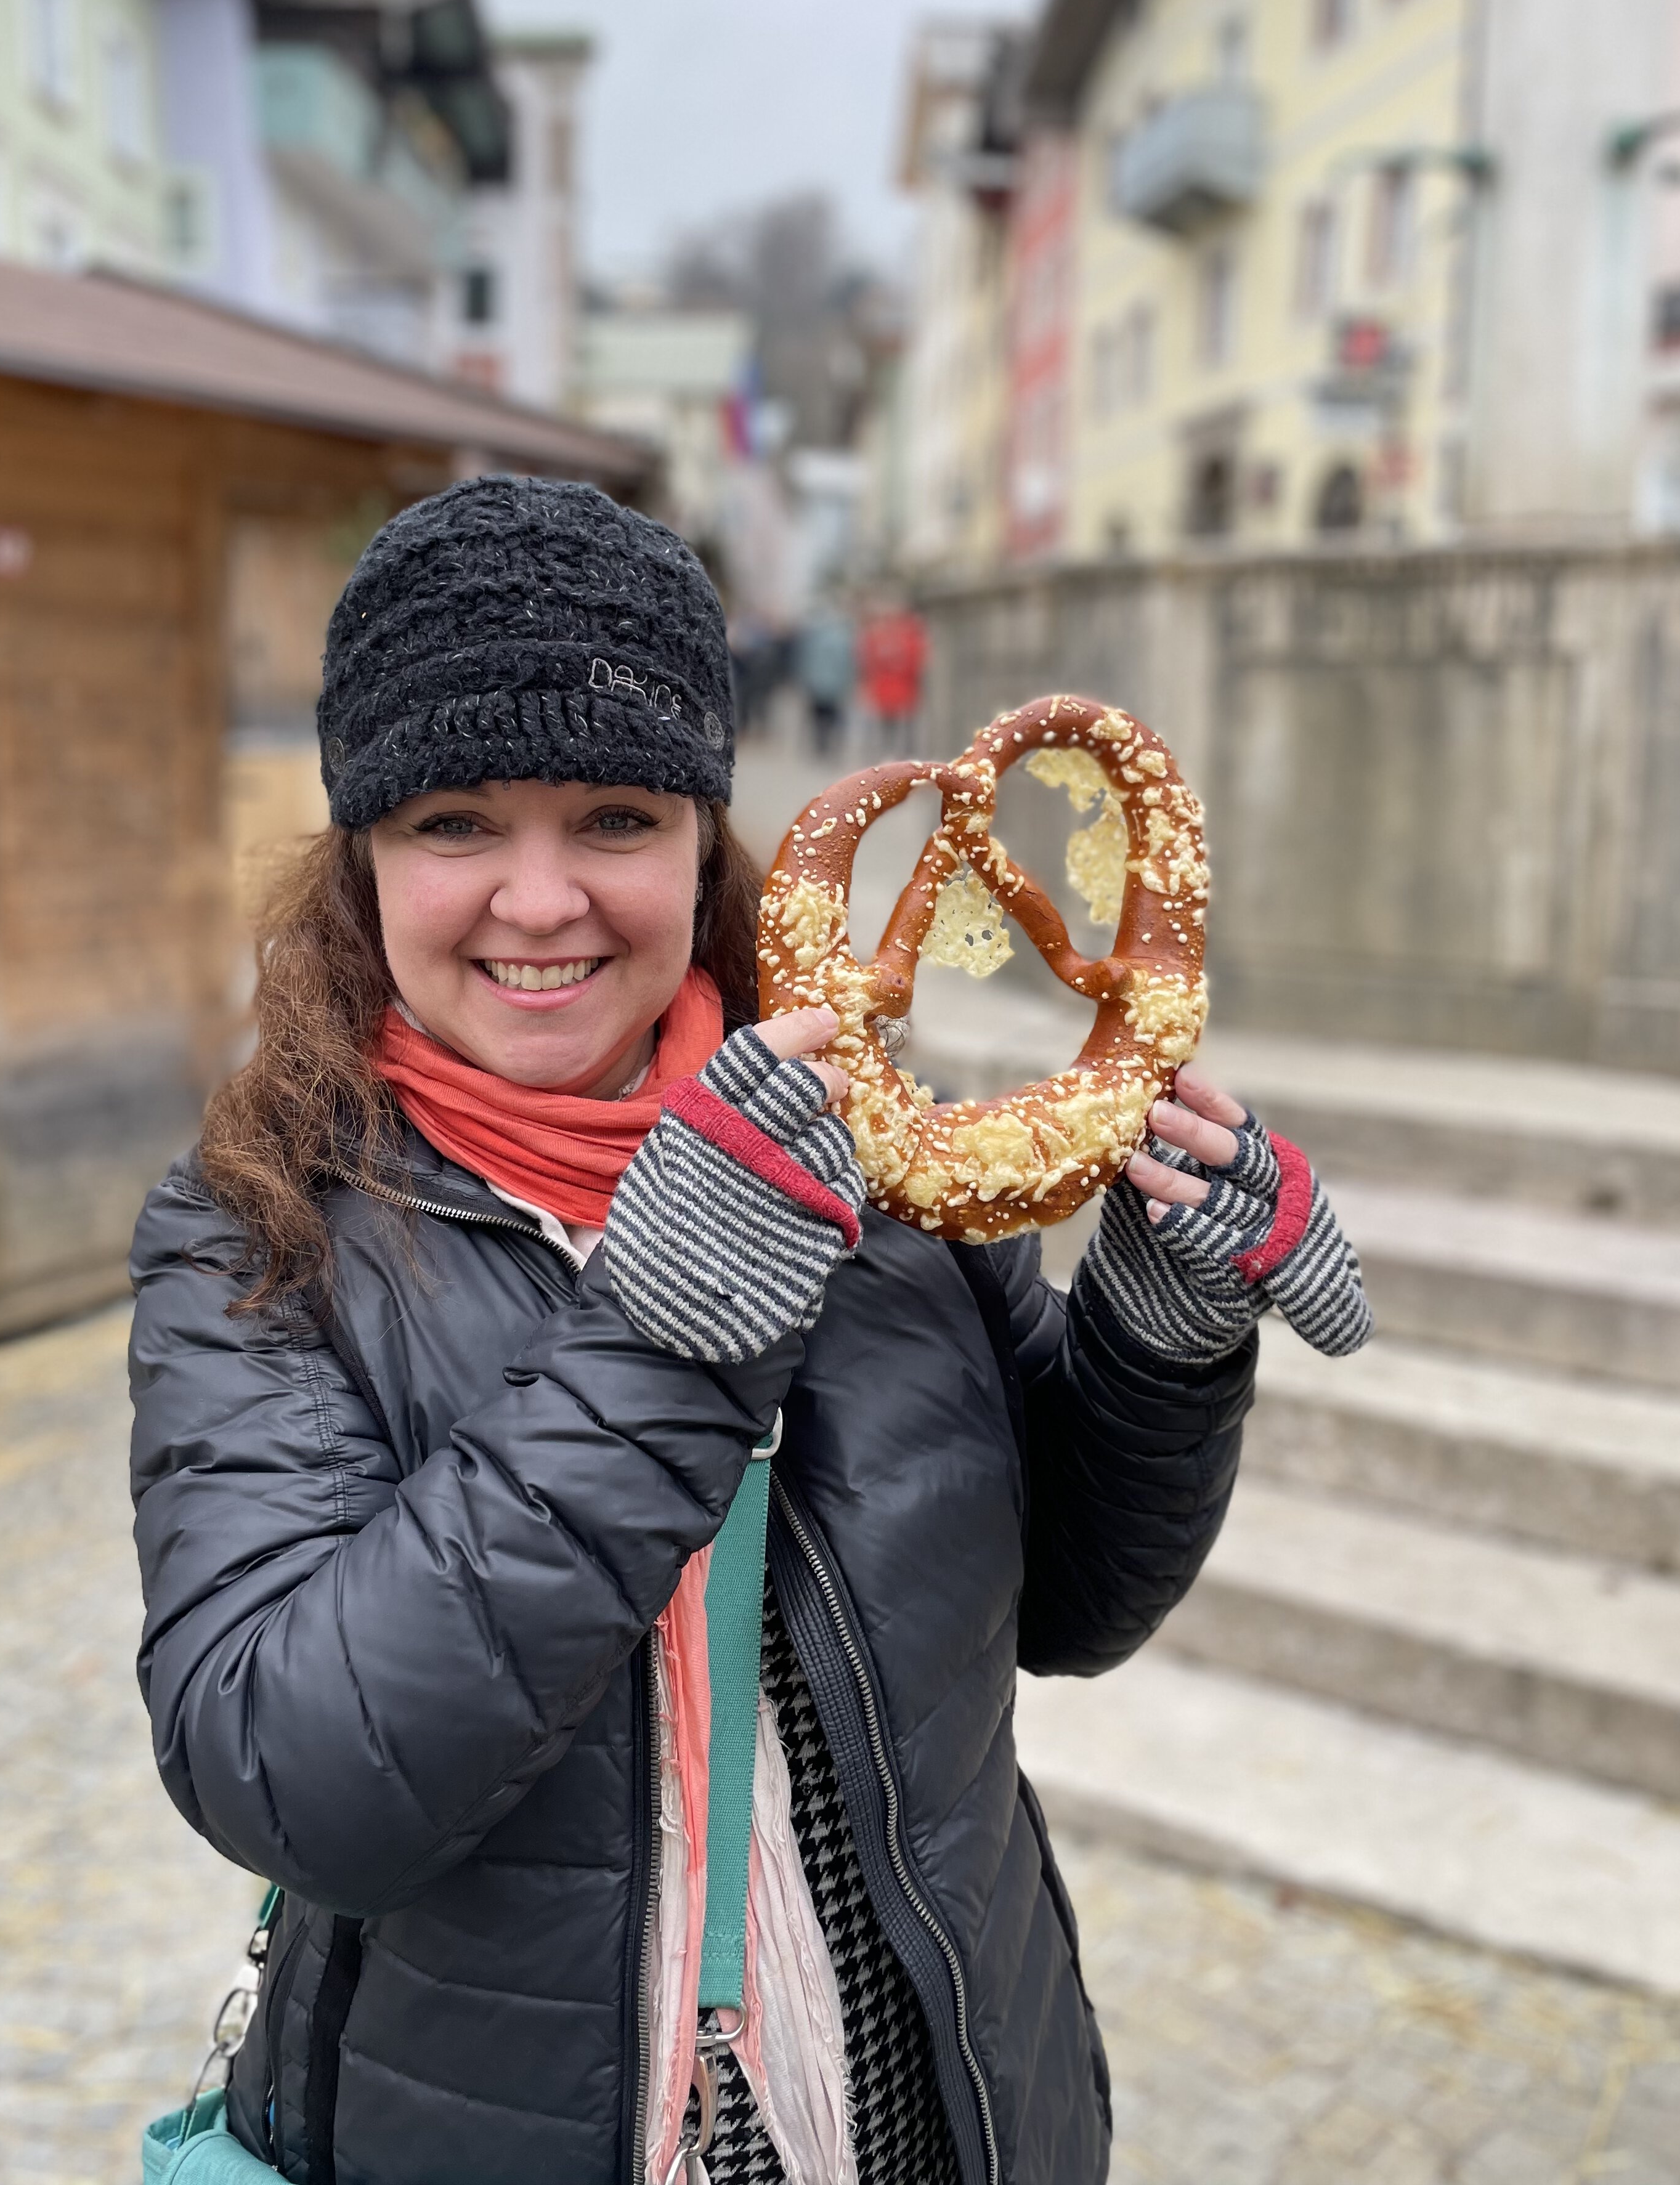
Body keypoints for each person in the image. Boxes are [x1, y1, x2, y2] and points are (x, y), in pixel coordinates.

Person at [128, 477, 1372, 2185]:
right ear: (363, 857)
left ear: (707, 836)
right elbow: (296, 1778)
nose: (543, 900)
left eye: (618, 819)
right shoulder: (257, 1233)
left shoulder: (883, 1162)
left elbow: (1072, 1605)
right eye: (456, 823)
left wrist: (1159, 1337)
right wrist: (667, 1332)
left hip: (929, 2107)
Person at [856, 596, 929, 756]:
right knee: (902, 726)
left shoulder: (878, 636)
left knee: (891, 726)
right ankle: (902, 755)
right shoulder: (909, 636)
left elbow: (867, 662)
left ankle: (889, 754)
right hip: (901, 687)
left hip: (888, 687)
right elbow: (918, 663)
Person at [794, 600, 856, 761]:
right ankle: (830, 745)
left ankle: (820, 744)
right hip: (835, 685)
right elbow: (848, 663)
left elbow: (805, 661)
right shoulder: (843, 638)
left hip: (817, 684)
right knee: (833, 717)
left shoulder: (813, 638)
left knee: (818, 717)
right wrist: (848, 682)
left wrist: (805, 680)